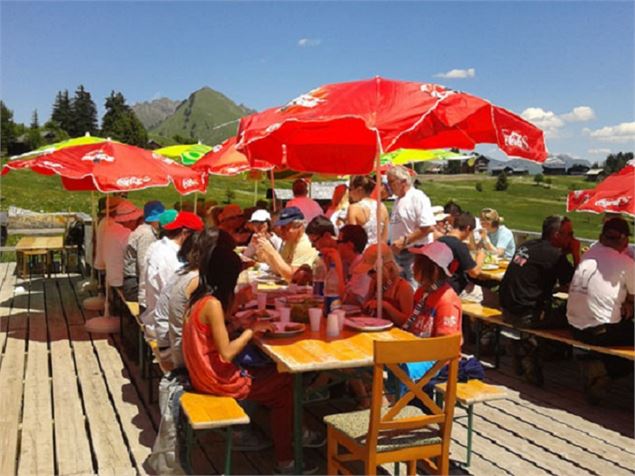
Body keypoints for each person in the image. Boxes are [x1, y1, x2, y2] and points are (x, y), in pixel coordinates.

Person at [182, 241, 321, 474]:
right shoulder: (213, 304)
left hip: (199, 373)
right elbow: (226, 353)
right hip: (214, 378)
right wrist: (251, 330)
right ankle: (286, 460)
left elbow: (215, 335)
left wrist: (235, 323)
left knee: (276, 375)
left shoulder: (200, 298)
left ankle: (294, 432)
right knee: (285, 386)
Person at [499, 215, 576, 385]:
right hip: (526, 315)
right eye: (569, 234)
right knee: (576, 317)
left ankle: (529, 348)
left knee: (559, 307)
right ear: (557, 234)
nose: (573, 238)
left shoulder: (528, 245)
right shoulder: (554, 255)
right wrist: (576, 254)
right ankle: (535, 352)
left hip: (507, 309)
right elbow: (576, 285)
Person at [567, 217, 634, 403]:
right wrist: (628, 301)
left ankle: (599, 364)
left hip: (574, 328)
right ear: (624, 241)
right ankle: (604, 372)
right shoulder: (625, 262)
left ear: (601, 236)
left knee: (620, 323)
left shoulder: (588, 255)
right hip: (598, 332)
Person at [141, 211, 204, 338]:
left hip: (153, 316)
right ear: (185, 234)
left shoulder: (158, 246)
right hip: (164, 327)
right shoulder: (173, 260)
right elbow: (177, 301)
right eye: (198, 236)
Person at [387, 166, 436, 288]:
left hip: (414, 253)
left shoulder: (417, 197)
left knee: (412, 289)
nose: (388, 185)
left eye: (391, 182)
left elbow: (428, 227)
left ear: (403, 181)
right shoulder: (398, 200)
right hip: (401, 253)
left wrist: (404, 241)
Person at [402, 241, 463, 340]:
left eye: (418, 264)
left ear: (434, 271)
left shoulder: (447, 302)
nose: (413, 267)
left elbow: (446, 343)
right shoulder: (422, 292)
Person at [354, 243, 414, 325]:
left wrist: (386, 306)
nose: (370, 276)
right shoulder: (375, 283)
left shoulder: (403, 288)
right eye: (368, 272)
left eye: (372, 271)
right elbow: (365, 309)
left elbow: (408, 322)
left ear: (387, 268)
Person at [255, 207, 318, 282]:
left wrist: (272, 251)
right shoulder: (290, 241)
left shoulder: (305, 244)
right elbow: (279, 269)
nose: (281, 231)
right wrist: (265, 253)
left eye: (285, 228)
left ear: (299, 227)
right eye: (281, 227)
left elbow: (292, 276)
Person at [122, 200, 164, 303]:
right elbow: (144, 266)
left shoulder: (143, 230)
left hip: (133, 283)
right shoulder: (147, 235)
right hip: (134, 286)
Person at [438, 212, 486, 295]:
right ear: (468, 228)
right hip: (454, 289)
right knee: (493, 298)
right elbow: (474, 273)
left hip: (439, 285)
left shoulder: (440, 240)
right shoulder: (459, 246)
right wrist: (480, 257)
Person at [102, 200, 143, 290]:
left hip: (111, 276)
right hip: (121, 281)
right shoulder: (126, 234)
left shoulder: (110, 229)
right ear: (130, 220)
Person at [346, 175, 389, 245]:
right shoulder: (382, 207)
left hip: (362, 253)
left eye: (350, 189)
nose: (349, 193)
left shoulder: (353, 208)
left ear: (359, 190)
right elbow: (384, 237)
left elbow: (352, 238)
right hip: (378, 252)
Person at [336, 225, 371, 304]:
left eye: (338, 242)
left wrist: (336, 260)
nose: (336, 245)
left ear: (350, 245)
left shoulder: (363, 268)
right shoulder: (347, 264)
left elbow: (354, 300)